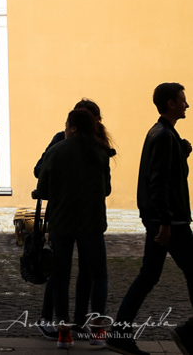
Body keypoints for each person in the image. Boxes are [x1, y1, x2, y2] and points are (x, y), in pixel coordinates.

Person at [107, 83, 193, 355]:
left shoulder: (163, 135)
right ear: (171, 104)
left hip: (162, 220)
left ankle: (119, 332)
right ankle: (189, 333)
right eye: (182, 100)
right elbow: (159, 184)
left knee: (148, 275)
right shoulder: (164, 136)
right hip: (172, 223)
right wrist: (165, 223)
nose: (186, 105)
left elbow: (169, 178)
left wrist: (182, 155)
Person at [33, 99, 113, 342]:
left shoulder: (58, 148)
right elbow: (106, 188)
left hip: (61, 222)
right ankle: (97, 327)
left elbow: (42, 186)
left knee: (60, 276)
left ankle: (63, 332)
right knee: (98, 275)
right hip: (91, 223)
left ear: (73, 126)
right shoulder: (101, 149)